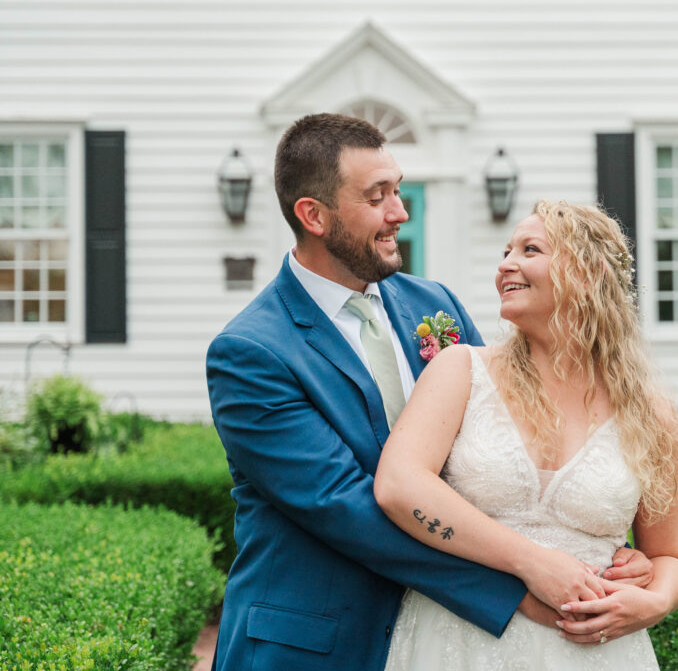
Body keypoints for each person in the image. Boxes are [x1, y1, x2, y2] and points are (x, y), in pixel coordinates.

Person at [205, 114, 651, 671]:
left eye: (397, 190)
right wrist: (518, 581)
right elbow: (344, 505)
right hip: (313, 641)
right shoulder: (251, 351)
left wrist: (604, 554)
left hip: (446, 635)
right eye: (378, 196)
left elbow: (504, 440)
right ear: (313, 215)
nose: (400, 212)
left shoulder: (432, 306)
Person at [374, 200, 678, 670]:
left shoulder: (652, 416)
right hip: (457, 640)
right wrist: (533, 562)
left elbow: (667, 556)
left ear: (587, 274)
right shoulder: (460, 370)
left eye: (530, 249)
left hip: (594, 652)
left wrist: (654, 603)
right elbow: (399, 485)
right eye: (506, 251)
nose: (507, 264)